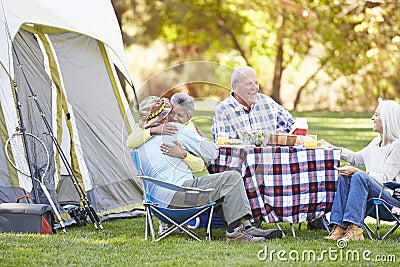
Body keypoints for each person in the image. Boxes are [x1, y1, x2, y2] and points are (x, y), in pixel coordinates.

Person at [127, 96, 283, 243]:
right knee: (232, 179)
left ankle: (247, 228)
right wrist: (199, 134)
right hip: (179, 198)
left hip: (157, 206)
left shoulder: (138, 142)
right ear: (165, 116)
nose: (173, 118)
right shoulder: (174, 129)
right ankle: (236, 234)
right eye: (171, 113)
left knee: (222, 188)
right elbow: (212, 153)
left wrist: (184, 154)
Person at [320, 99, 400, 242]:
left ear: (387, 119)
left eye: (376, 115)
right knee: (346, 177)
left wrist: (358, 172)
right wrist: (332, 147)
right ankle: (339, 227)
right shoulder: (375, 143)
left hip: (390, 202)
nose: (372, 118)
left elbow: (385, 178)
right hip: (371, 199)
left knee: (358, 176)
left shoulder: (397, 146)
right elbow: (356, 158)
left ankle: (355, 229)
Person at [211, 66, 294, 141]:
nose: (255, 88)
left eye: (256, 83)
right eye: (249, 83)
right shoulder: (223, 111)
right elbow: (222, 147)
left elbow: (291, 126)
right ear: (235, 87)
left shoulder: (267, 102)